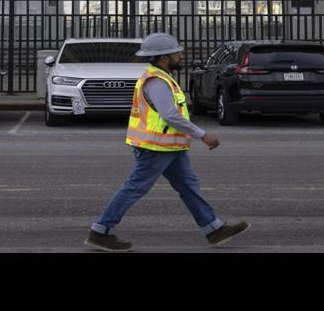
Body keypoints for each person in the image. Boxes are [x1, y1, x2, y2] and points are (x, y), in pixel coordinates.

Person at [86, 32, 249, 252]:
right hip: (156, 148)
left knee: (189, 188)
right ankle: (100, 232)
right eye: (176, 53)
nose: (181, 56)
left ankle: (214, 229)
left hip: (169, 147)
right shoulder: (157, 81)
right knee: (134, 188)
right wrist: (202, 134)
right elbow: (170, 115)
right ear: (164, 57)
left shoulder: (162, 77)